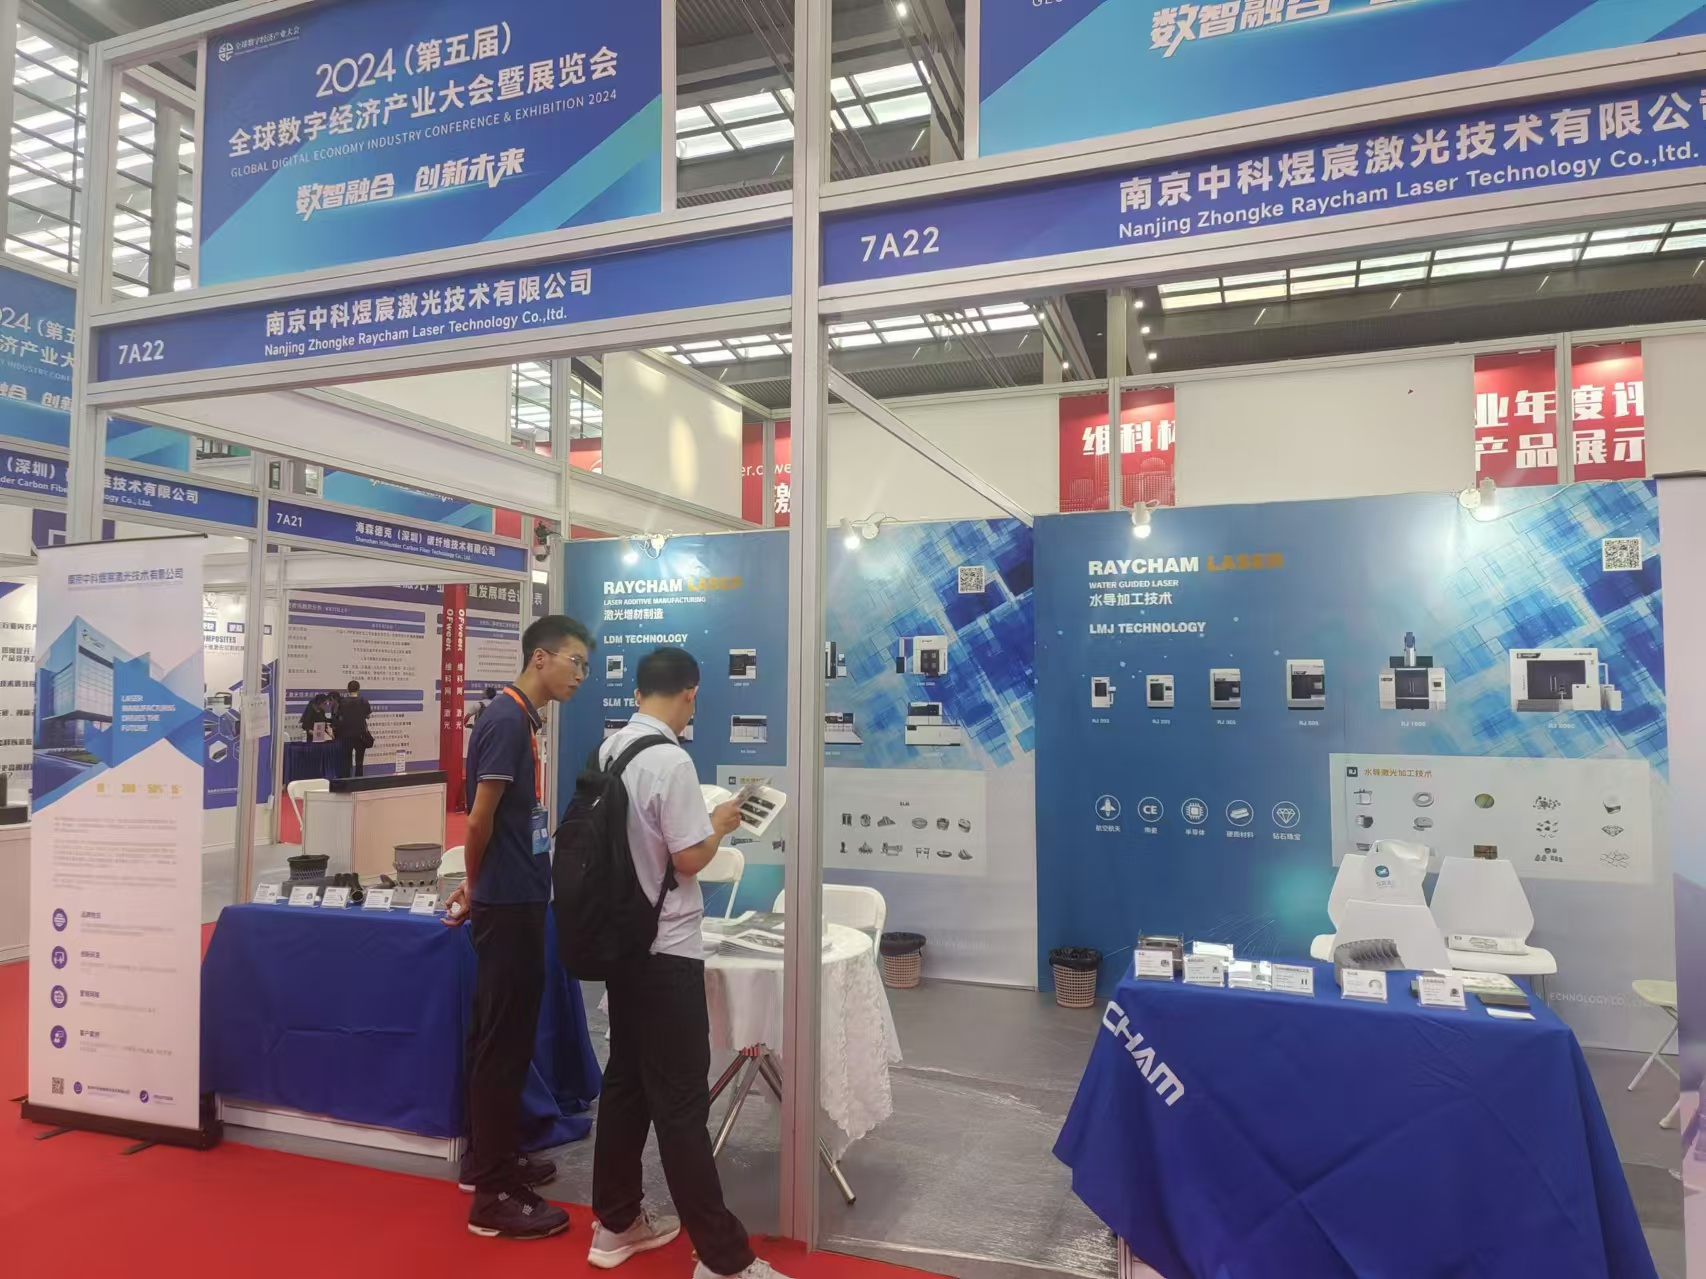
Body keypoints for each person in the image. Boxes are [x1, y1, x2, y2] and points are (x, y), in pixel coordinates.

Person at [587, 646, 787, 1279]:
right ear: (690, 693)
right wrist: (721, 822)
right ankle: (724, 1259)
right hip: (666, 948)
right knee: (680, 1104)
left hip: (622, 945)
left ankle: (615, 1223)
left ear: (638, 690)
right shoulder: (671, 760)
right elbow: (689, 858)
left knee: (625, 1085)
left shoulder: (611, 749)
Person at [444, 615, 594, 1241]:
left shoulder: (518, 719)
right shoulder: (507, 721)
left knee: (504, 1036)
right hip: (506, 903)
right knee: (502, 1043)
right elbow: (478, 820)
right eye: (575, 662)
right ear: (540, 658)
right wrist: (476, 884)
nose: (581, 675)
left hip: (516, 895)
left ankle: (493, 1159)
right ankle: (492, 1195)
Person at [333, 679, 373, 778]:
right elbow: (368, 716)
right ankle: (358, 781)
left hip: (345, 735)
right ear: (358, 689)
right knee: (359, 761)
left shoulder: (342, 702)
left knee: (346, 761)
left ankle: (346, 781)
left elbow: (337, 716)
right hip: (360, 735)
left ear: (348, 689)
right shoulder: (363, 701)